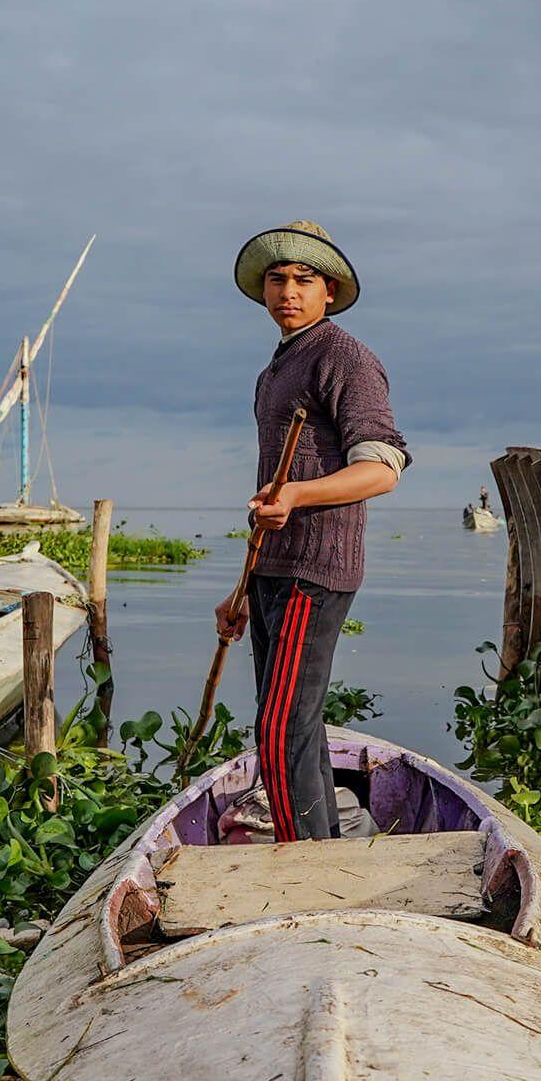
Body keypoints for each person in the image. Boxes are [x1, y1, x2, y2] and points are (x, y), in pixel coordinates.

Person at [214, 221, 408, 841]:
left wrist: (298, 494)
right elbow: (274, 487)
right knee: (293, 726)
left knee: (281, 729)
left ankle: (306, 862)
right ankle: (322, 846)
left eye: (304, 280)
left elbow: (381, 469)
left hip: (313, 573)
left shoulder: (344, 357)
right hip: (272, 569)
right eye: (277, 279)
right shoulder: (276, 369)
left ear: (329, 291)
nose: (287, 291)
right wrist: (240, 589)